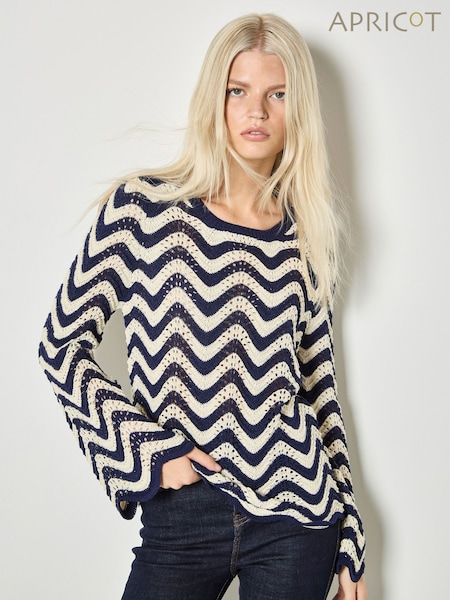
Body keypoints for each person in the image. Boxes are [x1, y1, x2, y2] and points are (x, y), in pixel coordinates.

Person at [39, 13, 367, 600]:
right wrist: (150, 451)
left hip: (298, 515)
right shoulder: (142, 210)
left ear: (299, 110)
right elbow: (60, 348)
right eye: (238, 91)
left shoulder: (305, 237)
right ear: (214, 97)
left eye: (277, 94)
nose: (256, 111)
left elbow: (319, 390)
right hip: (181, 511)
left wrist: (350, 536)